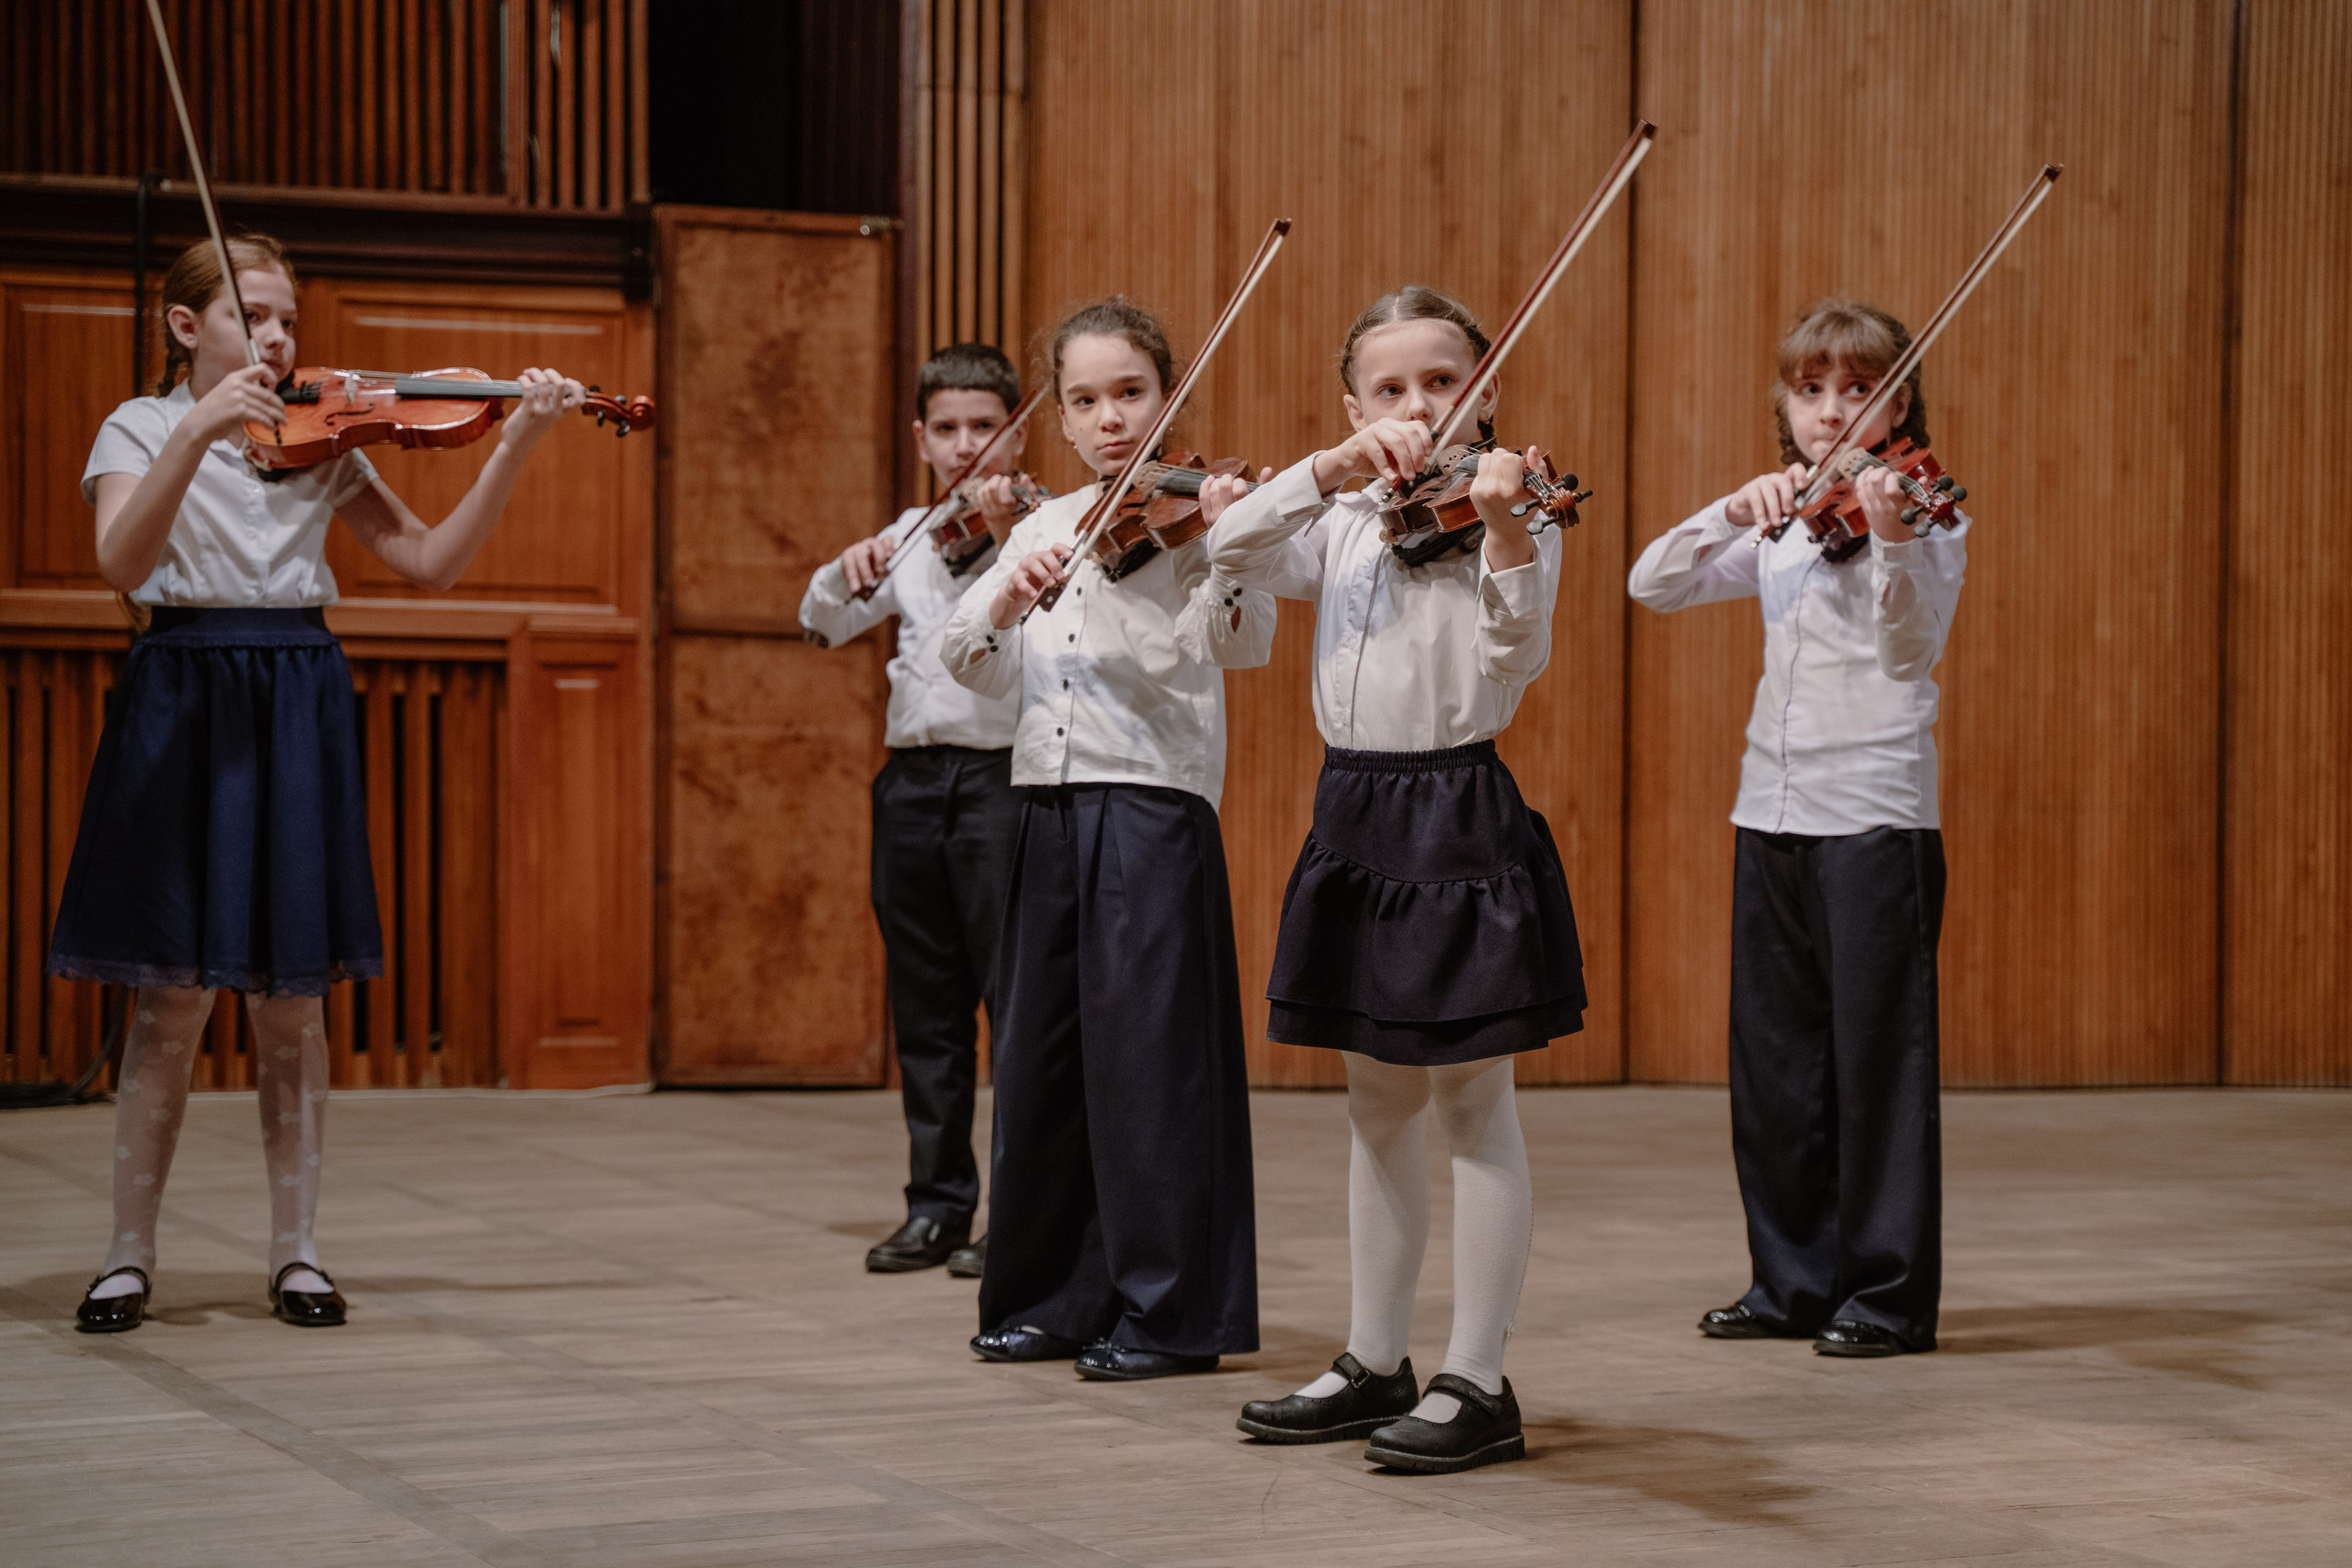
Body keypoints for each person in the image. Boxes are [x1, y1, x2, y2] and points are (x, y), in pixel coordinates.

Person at [58, 232, 583, 1333]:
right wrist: (197, 433)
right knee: (170, 1002)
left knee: (293, 1002)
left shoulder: (320, 439)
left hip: (294, 686)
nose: (282, 335)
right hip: (183, 685)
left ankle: (296, 1254)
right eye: (255, 314)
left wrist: (518, 441)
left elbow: (430, 562)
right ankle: (126, 1256)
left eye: (288, 315)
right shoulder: (141, 427)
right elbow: (120, 562)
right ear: (186, 327)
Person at [1200, 285, 1585, 1473]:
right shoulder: (1351, 517)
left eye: (1443, 380)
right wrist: (1323, 469)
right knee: (1374, 1103)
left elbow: (1517, 655)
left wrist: (1509, 527)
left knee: (1475, 1103)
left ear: (1487, 391)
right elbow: (1228, 545)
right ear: (1355, 404)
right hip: (1354, 809)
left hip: (1457, 810)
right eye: (1390, 387)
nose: (1420, 404)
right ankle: (1376, 1357)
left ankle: (1479, 1373)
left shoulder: (1510, 506)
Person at [939, 299, 1274, 1381]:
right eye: (1084, 401)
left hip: (1150, 808)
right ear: (1063, 420)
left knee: (1149, 1073)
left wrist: (1228, 544)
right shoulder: (1041, 529)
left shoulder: (1197, 519)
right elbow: (971, 664)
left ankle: (1171, 1313)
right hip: (1042, 806)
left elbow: (1247, 644)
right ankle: (1050, 1299)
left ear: (1166, 396)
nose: (1110, 419)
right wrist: (1002, 598)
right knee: (1041, 1069)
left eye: (1130, 393)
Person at [1626, 297, 1966, 1359]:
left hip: (1873, 815)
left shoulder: (1927, 513)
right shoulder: (1781, 521)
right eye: (1809, 390)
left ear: (1897, 398)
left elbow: (1908, 652)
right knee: (1774, 1065)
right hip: (1766, 808)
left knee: (1878, 1065)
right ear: (1784, 401)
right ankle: (1790, 1284)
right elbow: (1654, 584)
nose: (1830, 411)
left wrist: (1898, 539)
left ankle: (1888, 1296)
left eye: (1858, 389)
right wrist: (1730, 510)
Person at [798, 343, 1037, 1278]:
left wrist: (1010, 533)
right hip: (910, 785)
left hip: (1002, 783)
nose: (967, 447)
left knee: (1011, 1007)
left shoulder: (1040, 525)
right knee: (926, 1008)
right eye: (948, 430)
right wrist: (843, 566)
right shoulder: (909, 536)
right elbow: (821, 621)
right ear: (921, 436)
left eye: (985, 427)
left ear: (1017, 428)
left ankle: (1016, 1213)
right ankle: (936, 1205)